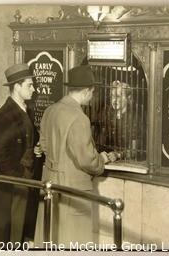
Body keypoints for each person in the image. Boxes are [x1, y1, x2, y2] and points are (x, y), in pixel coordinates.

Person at [34, 65, 117, 246]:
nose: (92, 96)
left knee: (51, 236)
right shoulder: (79, 118)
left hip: (49, 181)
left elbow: (44, 145)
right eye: (92, 92)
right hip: (73, 188)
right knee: (74, 240)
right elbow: (86, 160)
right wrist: (102, 160)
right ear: (87, 91)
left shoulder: (50, 111)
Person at [0, 63, 36, 245]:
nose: (34, 89)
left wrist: (33, 149)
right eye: (29, 85)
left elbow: (25, 141)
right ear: (17, 86)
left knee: (18, 229)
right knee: (7, 233)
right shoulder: (4, 115)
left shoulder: (26, 110)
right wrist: (18, 176)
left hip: (24, 180)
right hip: (12, 182)